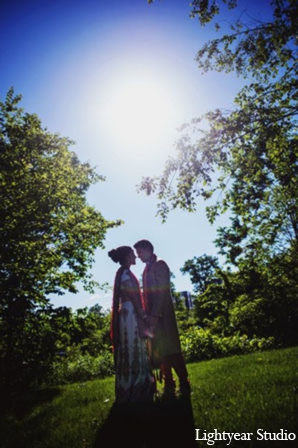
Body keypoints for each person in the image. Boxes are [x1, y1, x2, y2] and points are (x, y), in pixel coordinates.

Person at [133, 239, 191, 399]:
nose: (138, 256)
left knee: (172, 349)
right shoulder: (146, 268)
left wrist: (154, 316)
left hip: (163, 315)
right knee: (160, 351)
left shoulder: (160, 265)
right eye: (136, 253)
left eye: (140, 252)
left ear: (148, 250)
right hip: (153, 316)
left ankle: (184, 382)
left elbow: (161, 292)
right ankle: (168, 384)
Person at [108, 245, 155, 404]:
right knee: (132, 346)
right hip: (130, 315)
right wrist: (142, 314)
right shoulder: (125, 273)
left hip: (128, 314)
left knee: (133, 346)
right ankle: (134, 387)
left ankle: (136, 386)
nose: (135, 257)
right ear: (128, 257)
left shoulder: (123, 273)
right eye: (133, 255)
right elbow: (133, 296)